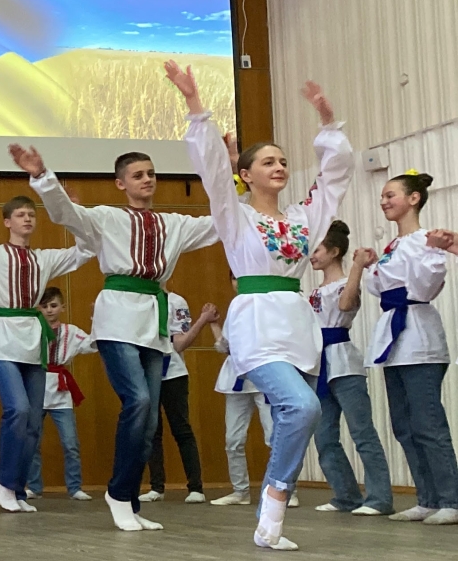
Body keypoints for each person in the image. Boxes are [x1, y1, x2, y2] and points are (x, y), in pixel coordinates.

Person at [169, 60, 352, 550]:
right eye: (267, 162)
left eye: (283, 161)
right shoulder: (235, 216)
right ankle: (274, 494)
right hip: (255, 323)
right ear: (245, 175)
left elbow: (334, 181)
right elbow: (211, 172)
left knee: (304, 415)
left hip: (297, 323)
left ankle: (270, 521)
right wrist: (195, 105)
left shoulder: (301, 218)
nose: (279, 167)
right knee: (301, 404)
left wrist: (328, 124)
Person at [15, 141, 218, 530]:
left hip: (153, 327)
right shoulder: (107, 217)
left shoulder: (174, 224)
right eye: (138, 175)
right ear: (120, 183)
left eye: (151, 174)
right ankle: (118, 493)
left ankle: (127, 498)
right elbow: (65, 212)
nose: (148, 180)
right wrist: (42, 176)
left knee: (149, 422)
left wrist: (232, 180)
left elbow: (222, 222)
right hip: (117, 320)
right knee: (138, 401)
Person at [0, 196, 93, 512]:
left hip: (33, 342)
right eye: (20, 215)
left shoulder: (44, 259)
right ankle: (6, 483)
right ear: (7, 221)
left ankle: (19, 490)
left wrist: (76, 217)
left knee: (34, 424)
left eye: (31, 215)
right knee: (19, 410)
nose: (27, 219)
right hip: (1, 340)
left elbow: (85, 250)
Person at [354, 172, 458, 525]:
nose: (384, 201)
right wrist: (369, 268)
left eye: (391, 194)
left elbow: (427, 285)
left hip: (419, 338)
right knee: (404, 425)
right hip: (393, 340)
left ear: (414, 199)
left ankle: (451, 499)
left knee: (428, 423)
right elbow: (378, 289)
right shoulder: (394, 246)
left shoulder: (423, 240)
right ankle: (427, 498)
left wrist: (433, 249)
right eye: (382, 196)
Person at [307, 220, 393, 516]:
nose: (312, 255)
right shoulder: (313, 290)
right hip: (320, 365)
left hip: (344, 363)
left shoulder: (347, 283)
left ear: (333, 251)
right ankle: (346, 495)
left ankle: (380, 497)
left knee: (362, 431)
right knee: (324, 435)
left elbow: (345, 306)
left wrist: (357, 266)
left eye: (317, 249)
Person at [140, 291, 216, 503]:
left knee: (181, 428)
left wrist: (202, 320)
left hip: (173, 373)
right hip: (146, 372)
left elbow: (180, 343)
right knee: (152, 430)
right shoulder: (136, 299)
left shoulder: (175, 301)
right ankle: (156, 487)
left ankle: (195, 487)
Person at [26, 287, 95, 501]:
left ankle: (74, 487)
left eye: (53, 305)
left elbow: (93, 344)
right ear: (38, 308)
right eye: (44, 306)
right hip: (36, 387)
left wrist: (97, 318)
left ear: (62, 307)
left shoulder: (71, 331)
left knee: (70, 442)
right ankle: (34, 487)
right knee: (32, 441)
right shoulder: (31, 329)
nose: (49, 310)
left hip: (61, 392)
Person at [208, 297, 274, 507]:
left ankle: (284, 488)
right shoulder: (235, 308)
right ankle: (240, 491)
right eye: (234, 279)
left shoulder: (267, 306)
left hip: (263, 376)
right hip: (235, 379)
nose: (237, 283)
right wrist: (214, 325)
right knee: (233, 439)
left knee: (274, 437)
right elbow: (224, 346)